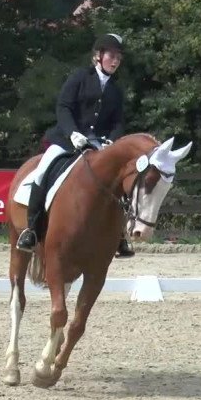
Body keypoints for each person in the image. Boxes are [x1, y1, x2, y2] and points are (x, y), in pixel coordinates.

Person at [16, 33, 135, 258]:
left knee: (118, 182)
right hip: (67, 140)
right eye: (111, 55)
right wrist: (73, 133)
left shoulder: (115, 91)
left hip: (99, 145)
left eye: (119, 57)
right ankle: (31, 230)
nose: (116, 60)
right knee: (43, 171)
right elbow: (63, 107)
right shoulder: (80, 77)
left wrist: (111, 140)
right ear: (98, 56)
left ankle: (120, 237)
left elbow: (118, 121)